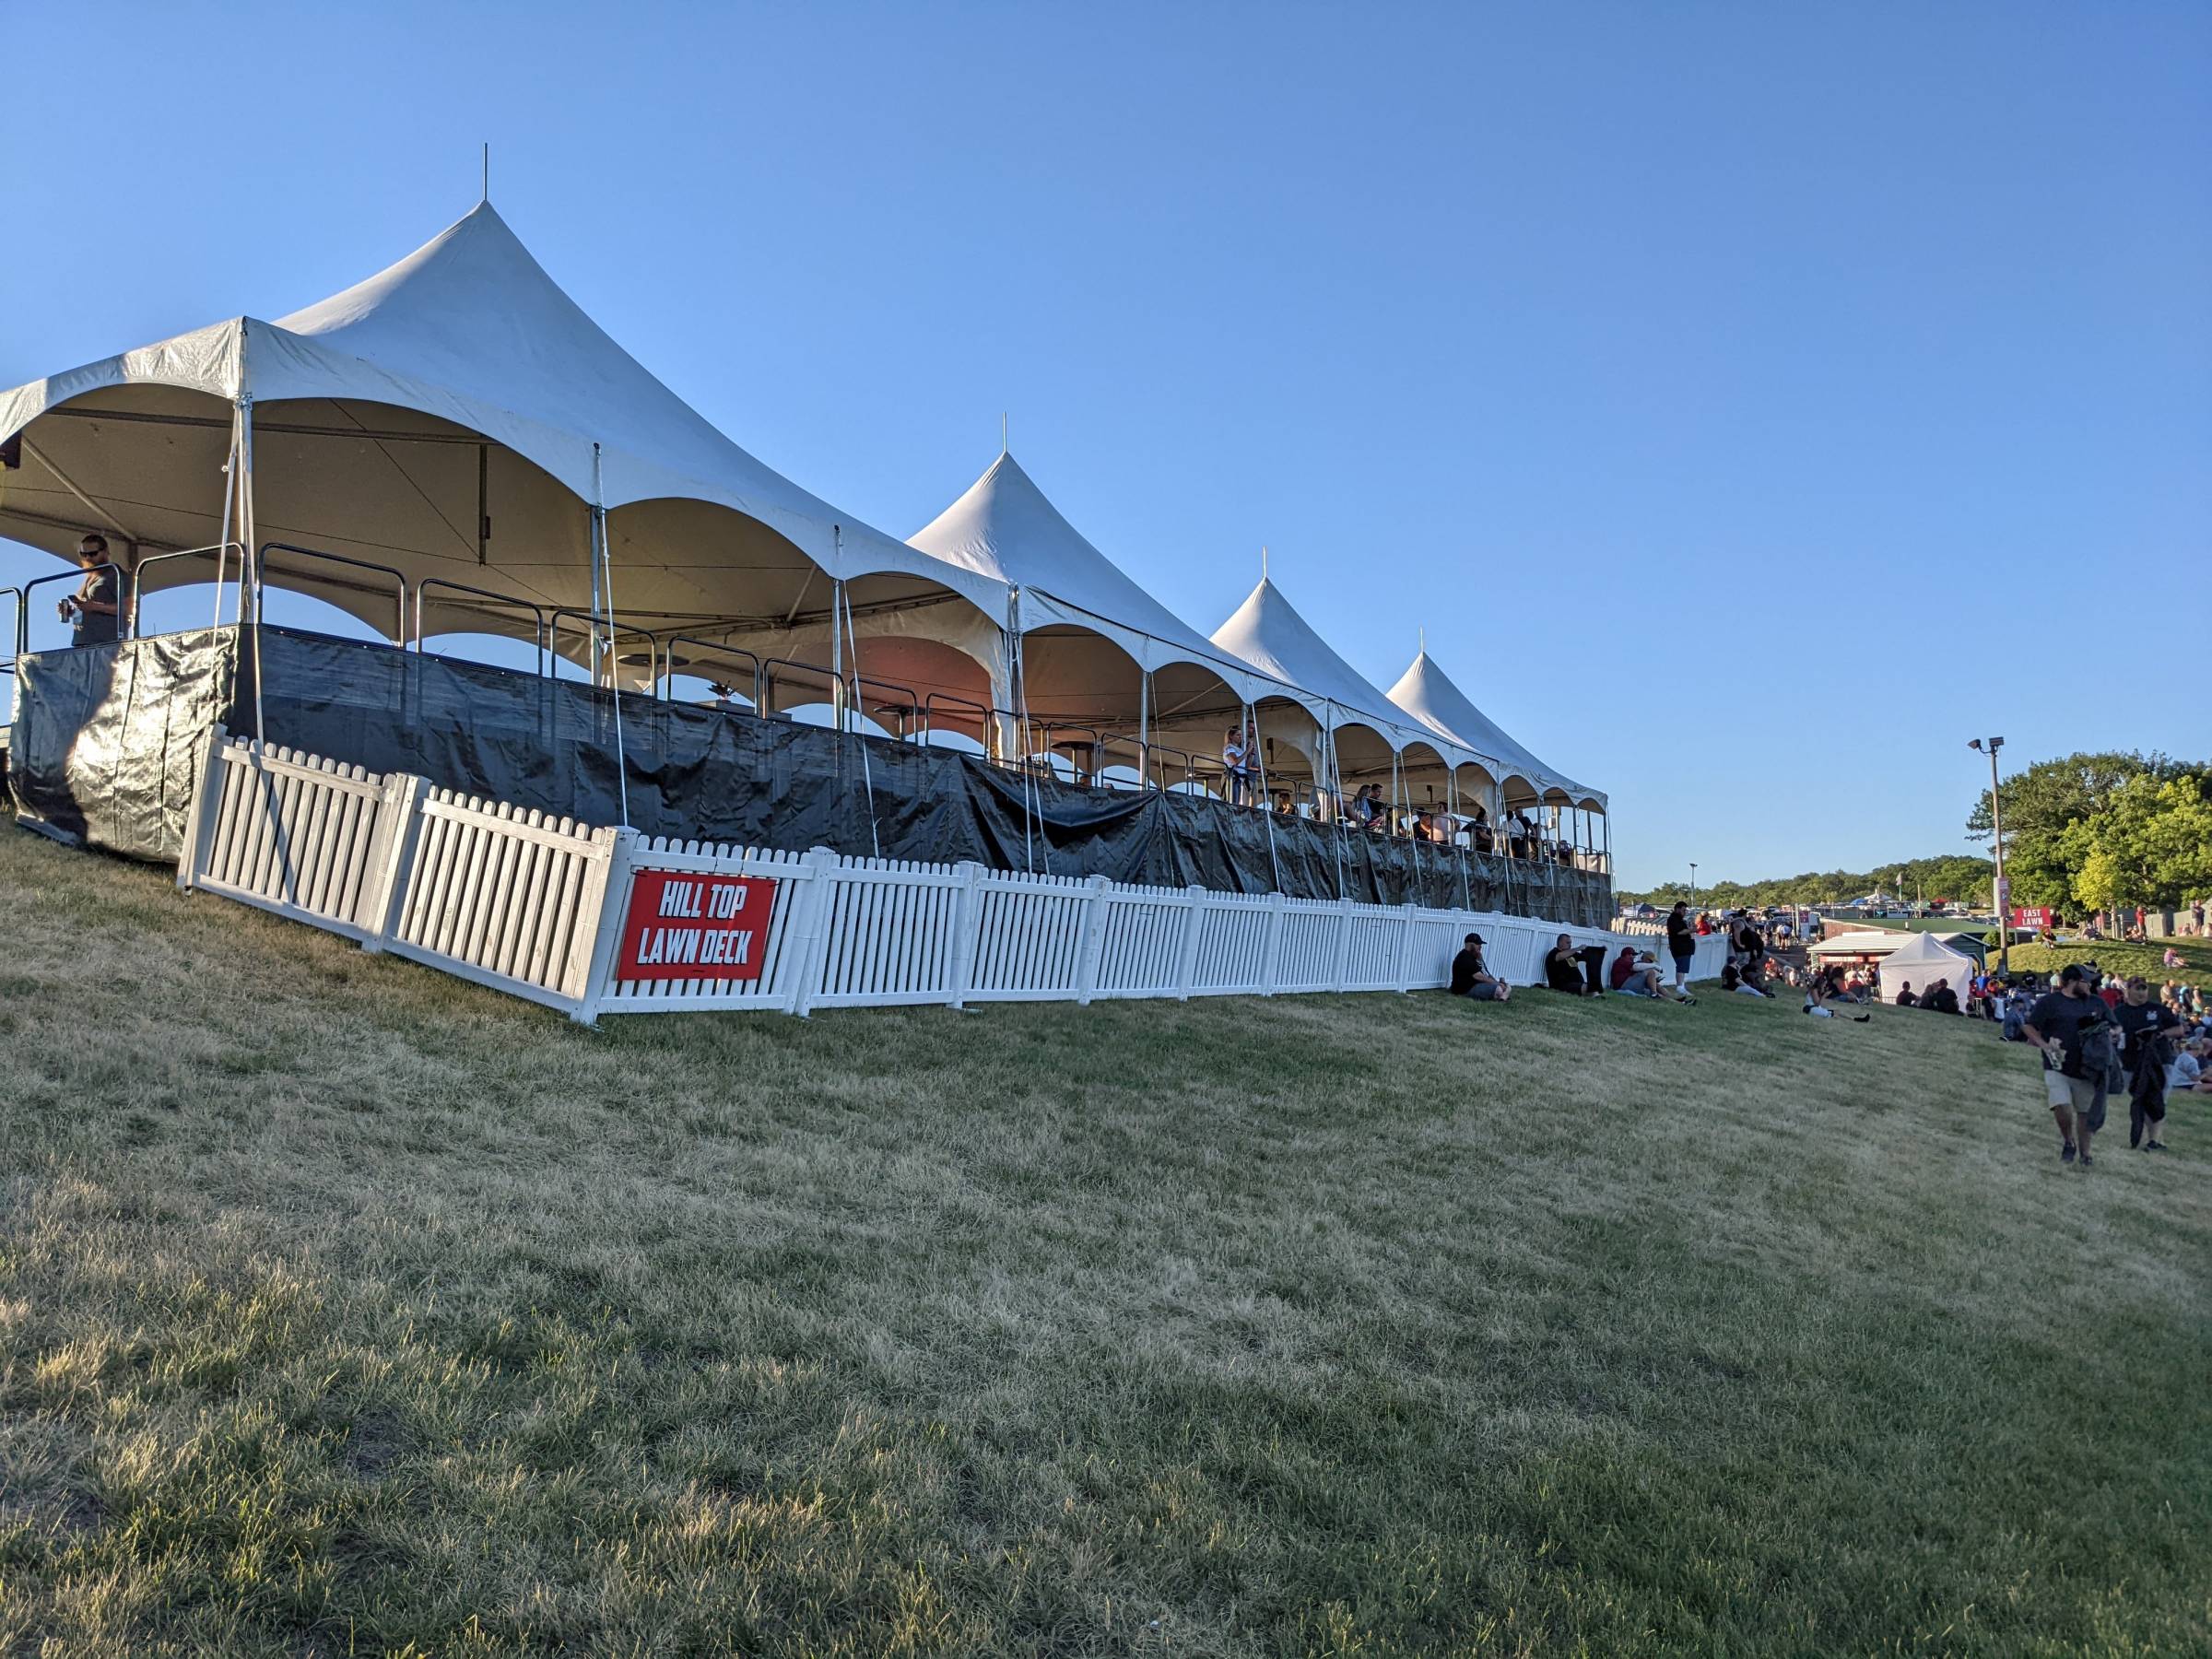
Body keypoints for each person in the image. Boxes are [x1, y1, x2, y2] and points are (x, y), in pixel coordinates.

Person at [2022, 965, 2112, 1168]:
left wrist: (2111, 1035)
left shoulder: (2097, 1003)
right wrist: (2044, 1045)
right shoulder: (2050, 1002)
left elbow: (2114, 1025)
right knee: (2061, 1104)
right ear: (2073, 981)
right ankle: (2068, 1141)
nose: (2090, 985)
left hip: (2087, 1067)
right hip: (2056, 1065)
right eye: (2086, 981)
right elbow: (2028, 1026)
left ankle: (2086, 1154)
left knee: (2085, 1112)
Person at [2112, 977, 2182, 1151]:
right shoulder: (2119, 1012)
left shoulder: (2157, 1010)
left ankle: (2154, 1141)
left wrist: (2160, 1034)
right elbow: (2112, 1030)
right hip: (2131, 1063)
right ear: (2127, 990)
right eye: (2138, 988)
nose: (2142, 992)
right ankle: (2155, 1138)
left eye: (2144, 988)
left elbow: (2179, 1029)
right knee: (2139, 1100)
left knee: (2157, 1100)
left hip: (2159, 1061)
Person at [60, 534, 122, 646]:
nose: (88, 558)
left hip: (106, 645)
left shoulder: (116, 574)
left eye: (93, 554)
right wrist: (72, 611)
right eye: (84, 554)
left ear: (106, 551)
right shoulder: (88, 577)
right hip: (81, 643)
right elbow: (85, 608)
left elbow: (131, 608)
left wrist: (95, 606)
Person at [1449, 932, 1511, 1002]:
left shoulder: (1474, 957)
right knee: (1498, 989)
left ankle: (1503, 996)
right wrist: (1497, 984)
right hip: (1465, 989)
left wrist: (1480, 960)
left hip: (1474, 985)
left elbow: (1486, 974)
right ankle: (1503, 997)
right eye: (1478, 944)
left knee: (1505, 987)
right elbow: (1479, 976)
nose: (1480, 946)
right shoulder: (1464, 957)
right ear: (1471, 944)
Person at [1665, 900, 1697, 998]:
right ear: (1677, 909)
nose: (1684, 912)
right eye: (1683, 910)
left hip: (1685, 946)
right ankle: (1680, 987)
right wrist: (1691, 930)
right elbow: (1679, 932)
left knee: (1683, 967)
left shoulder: (1679, 919)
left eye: (1685, 910)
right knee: (1681, 967)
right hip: (1679, 946)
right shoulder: (1673, 919)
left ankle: (1681, 986)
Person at [1221, 728, 1249, 807]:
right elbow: (1235, 762)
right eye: (1238, 735)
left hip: (1240, 778)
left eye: (1241, 735)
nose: (1241, 737)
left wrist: (1252, 753)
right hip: (1233, 777)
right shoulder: (1229, 748)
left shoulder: (1239, 750)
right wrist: (1247, 751)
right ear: (1231, 736)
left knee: (1237, 802)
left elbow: (1246, 765)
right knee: (1233, 802)